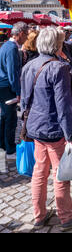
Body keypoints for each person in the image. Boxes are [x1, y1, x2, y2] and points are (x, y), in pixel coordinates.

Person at [20, 27, 72, 231]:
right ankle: (65, 217)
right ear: (56, 45)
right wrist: (70, 134)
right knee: (60, 175)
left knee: (39, 172)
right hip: (53, 130)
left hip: (36, 128)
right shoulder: (58, 68)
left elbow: (25, 99)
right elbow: (63, 105)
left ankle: (39, 215)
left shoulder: (29, 65)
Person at [0, 22, 28, 159]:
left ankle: (4, 145)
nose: (27, 38)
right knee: (10, 119)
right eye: (26, 34)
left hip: (3, 85)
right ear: (20, 33)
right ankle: (10, 150)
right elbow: (12, 73)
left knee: (5, 118)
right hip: (7, 87)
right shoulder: (11, 48)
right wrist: (17, 91)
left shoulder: (7, 45)